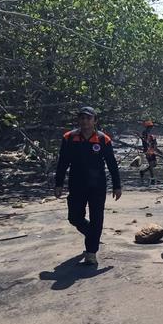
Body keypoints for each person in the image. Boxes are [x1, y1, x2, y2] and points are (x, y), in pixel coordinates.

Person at [54, 106, 122, 265]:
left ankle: (91, 253)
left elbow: (112, 164)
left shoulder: (103, 139)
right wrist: (58, 183)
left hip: (97, 185)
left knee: (97, 218)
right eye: (82, 118)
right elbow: (62, 162)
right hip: (76, 184)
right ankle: (92, 235)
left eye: (88, 118)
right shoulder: (69, 138)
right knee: (74, 217)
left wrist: (117, 185)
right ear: (78, 120)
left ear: (95, 121)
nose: (85, 121)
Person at [140, 120, 158, 185]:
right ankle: (152, 178)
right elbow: (145, 142)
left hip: (152, 150)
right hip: (148, 150)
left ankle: (143, 171)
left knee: (155, 164)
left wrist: (155, 148)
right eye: (150, 127)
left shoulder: (151, 134)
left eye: (151, 126)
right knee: (151, 164)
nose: (151, 128)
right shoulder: (144, 133)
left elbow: (154, 142)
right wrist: (147, 150)